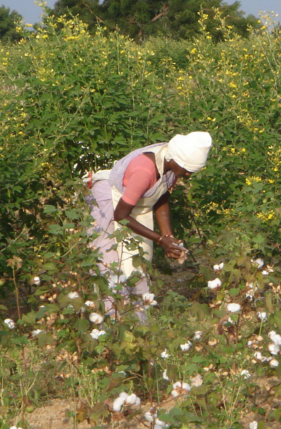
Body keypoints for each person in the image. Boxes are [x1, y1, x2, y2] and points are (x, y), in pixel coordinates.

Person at [84, 131, 212, 317]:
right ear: (177, 160)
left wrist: (168, 237)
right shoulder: (145, 171)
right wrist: (160, 240)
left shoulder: (170, 164)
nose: (187, 175)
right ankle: (109, 323)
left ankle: (139, 325)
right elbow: (120, 215)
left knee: (137, 263)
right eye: (186, 170)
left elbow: (161, 198)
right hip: (109, 201)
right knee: (108, 264)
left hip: (132, 203)